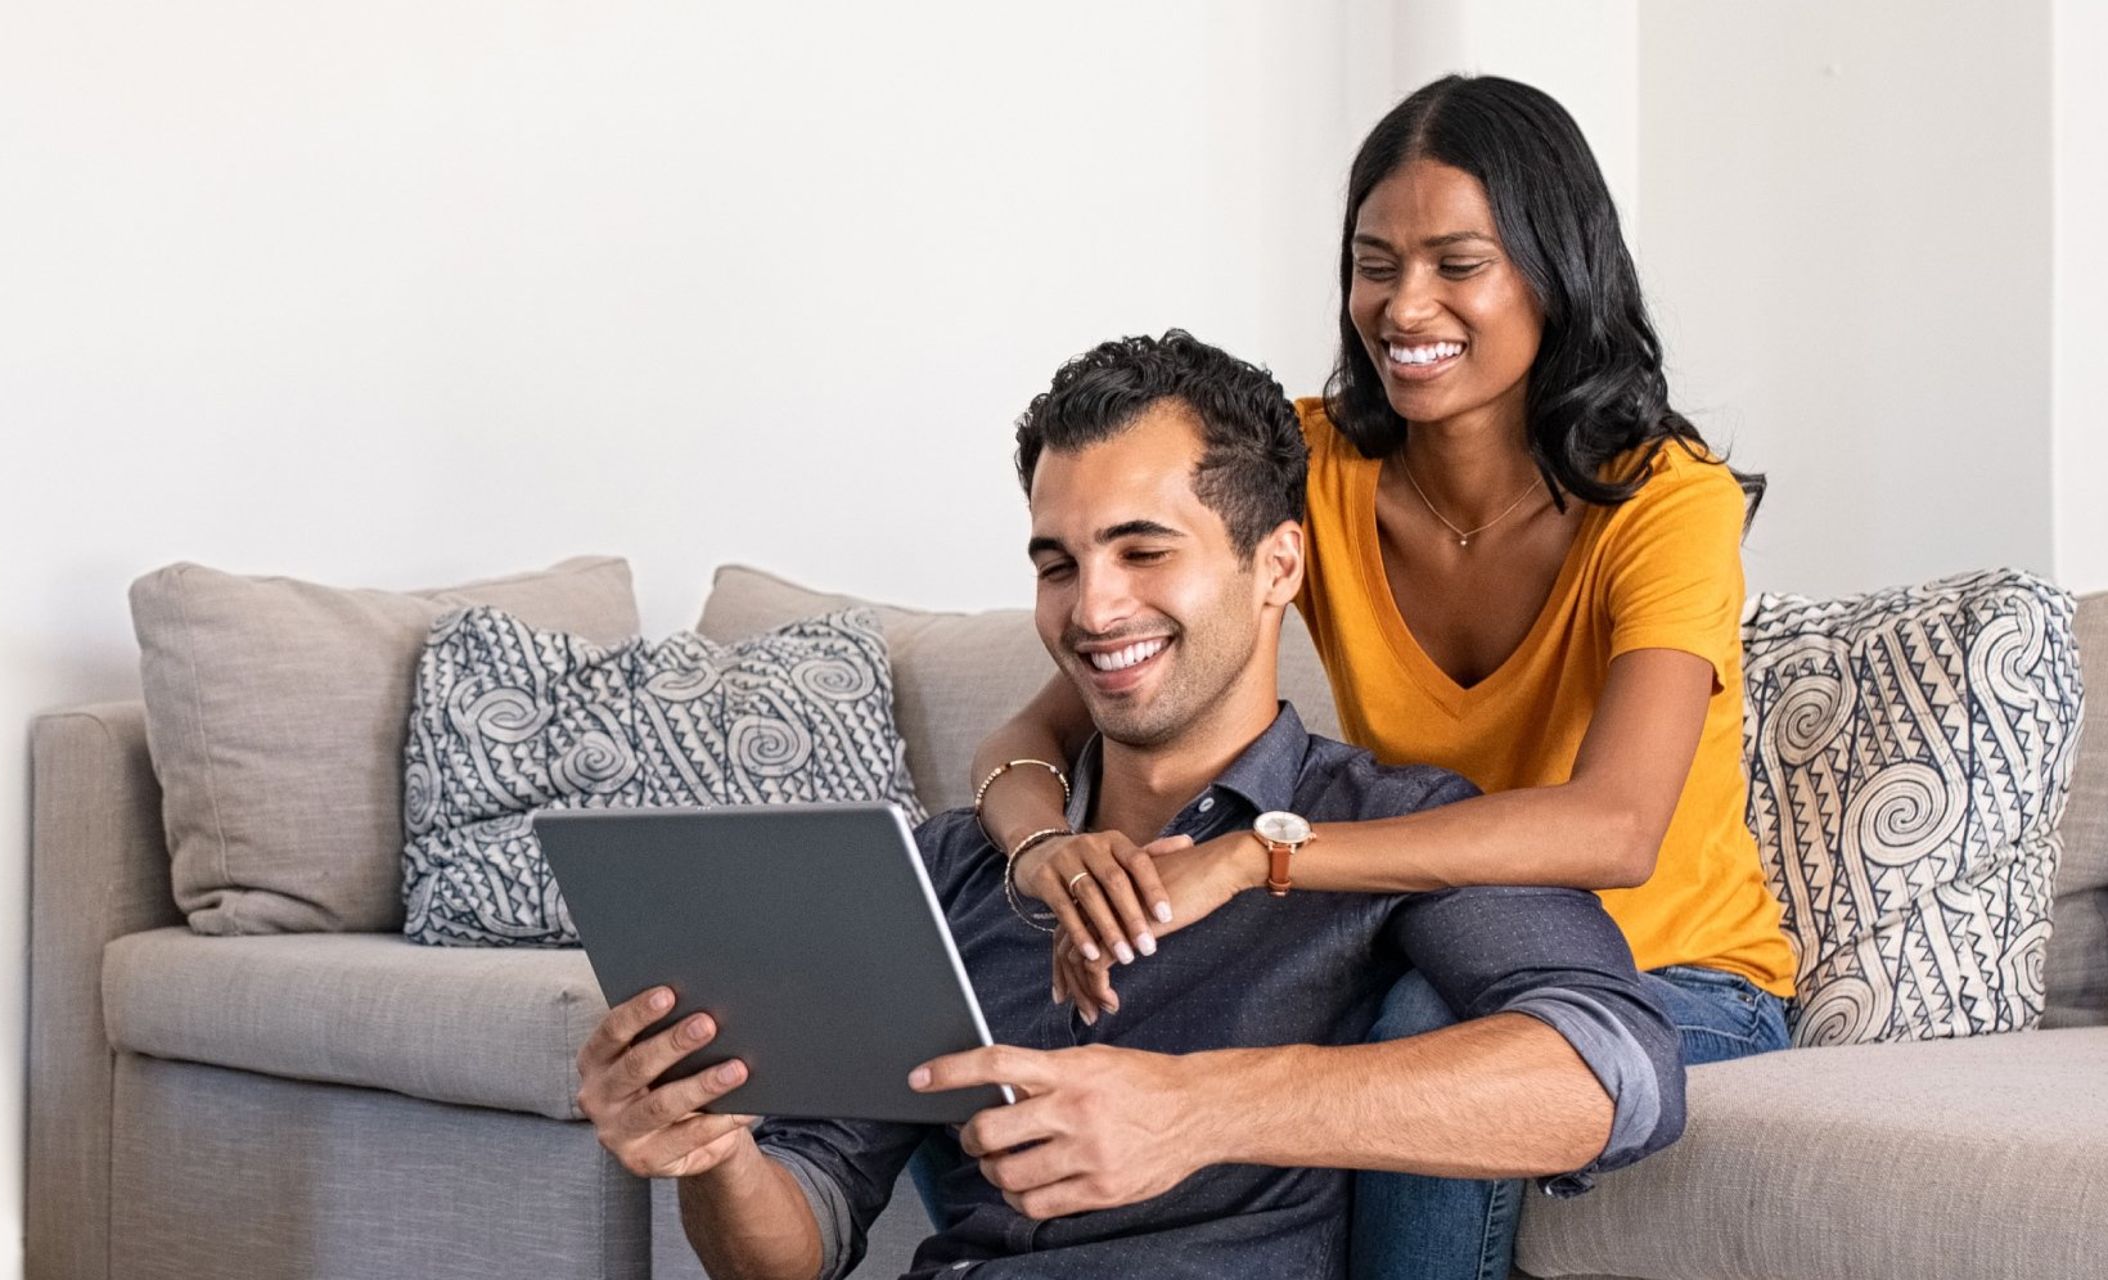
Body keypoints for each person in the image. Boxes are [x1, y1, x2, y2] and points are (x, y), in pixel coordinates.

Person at [573, 332, 1684, 1279]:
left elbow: (1616, 1069)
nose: (1092, 608)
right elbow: (794, 1235)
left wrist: (1205, 1105)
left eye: (1142, 550)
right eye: (1056, 563)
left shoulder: (1381, 828)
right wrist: (709, 1148)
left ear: (1277, 566)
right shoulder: (964, 863)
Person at [969, 75, 1794, 1280]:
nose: (1404, 304)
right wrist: (1040, 847)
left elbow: (1614, 828)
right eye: (1374, 262)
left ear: (1552, 271)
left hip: (1667, 969)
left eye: (1457, 262)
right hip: (1428, 929)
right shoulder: (1315, 466)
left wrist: (1264, 854)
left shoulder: (1664, 500)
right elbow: (1034, 733)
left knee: (1417, 1028)